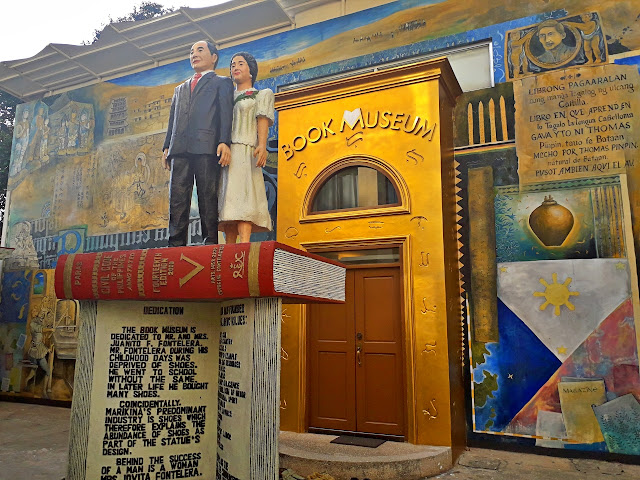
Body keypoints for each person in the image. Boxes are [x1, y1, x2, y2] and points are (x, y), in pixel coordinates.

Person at [163, 40, 234, 246]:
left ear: (214, 57)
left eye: (200, 50)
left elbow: (225, 113)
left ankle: (209, 242)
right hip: (179, 148)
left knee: (207, 195)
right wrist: (167, 146)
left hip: (207, 146)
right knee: (177, 198)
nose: (194, 54)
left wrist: (224, 141)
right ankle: (175, 244)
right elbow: (172, 119)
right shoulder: (180, 89)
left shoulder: (221, 82)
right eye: (191, 51)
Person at [218, 52, 273, 243]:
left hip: (247, 150)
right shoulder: (226, 97)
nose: (235, 67)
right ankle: (228, 248)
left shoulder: (261, 94)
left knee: (244, 196)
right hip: (227, 152)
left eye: (240, 64)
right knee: (228, 198)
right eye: (233, 64)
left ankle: (244, 244)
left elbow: (262, 118)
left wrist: (262, 145)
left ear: (251, 70)